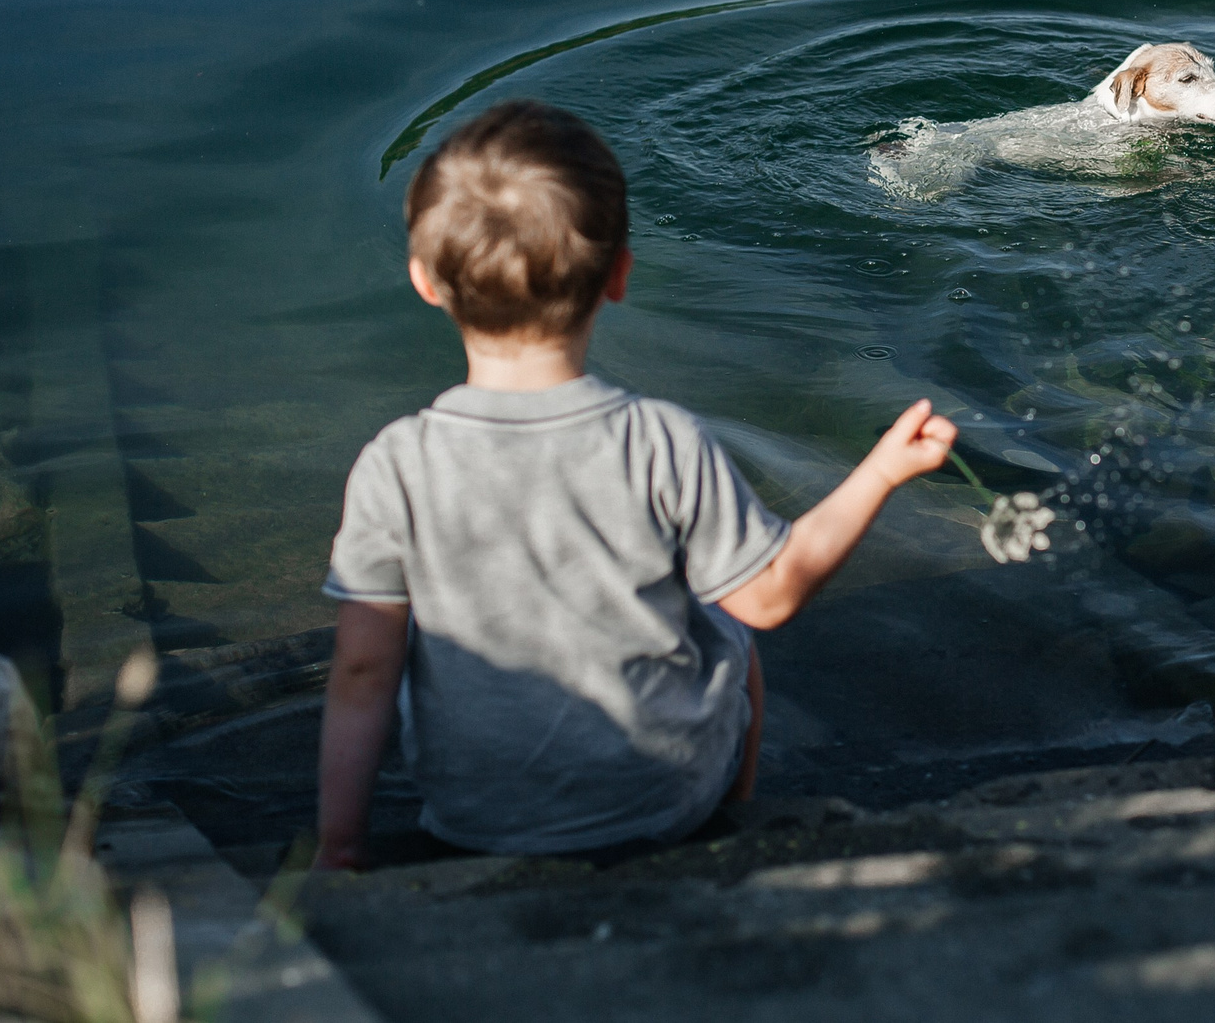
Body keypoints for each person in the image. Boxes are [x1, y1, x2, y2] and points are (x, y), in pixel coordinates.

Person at [313, 99, 953, 869]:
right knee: (725, 621)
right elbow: (771, 594)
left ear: (424, 280)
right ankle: (731, 812)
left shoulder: (396, 462)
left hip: (473, 814)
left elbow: (362, 668)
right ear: (619, 274)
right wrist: (881, 470)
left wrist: (340, 847)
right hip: (657, 802)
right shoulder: (660, 439)